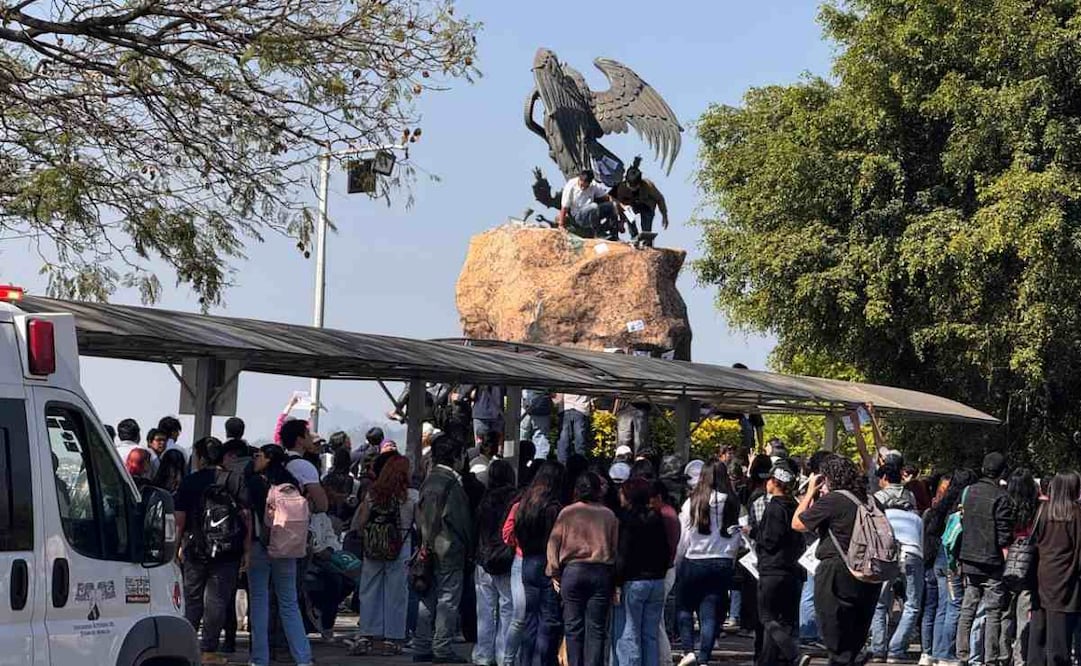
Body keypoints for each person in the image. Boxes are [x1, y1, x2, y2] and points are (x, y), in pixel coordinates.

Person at [792, 454, 881, 666]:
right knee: (854, 638)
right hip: (869, 573)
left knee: (836, 638)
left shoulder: (833, 500)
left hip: (836, 572)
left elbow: (797, 523)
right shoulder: (872, 500)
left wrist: (810, 492)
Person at [174, 438, 251, 665]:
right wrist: (247, 551)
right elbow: (247, 518)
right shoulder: (235, 480)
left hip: (195, 548)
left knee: (192, 599)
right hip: (228, 551)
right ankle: (208, 650)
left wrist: (175, 548)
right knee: (217, 601)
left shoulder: (190, 482)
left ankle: (186, 647)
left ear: (200, 457)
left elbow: (180, 520)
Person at [245, 444, 313, 666]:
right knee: (289, 603)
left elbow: (248, 517)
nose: (256, 459)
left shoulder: (256, 482)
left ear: (268, 459)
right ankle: (303, 658)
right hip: (287, 548)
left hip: (260, 545)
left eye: (259, 455)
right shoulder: (291, 484)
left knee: (259, 601)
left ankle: (259, 659)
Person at [412, 434, 474, 663]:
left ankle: (421, 644)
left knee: (427, 597)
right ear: (457, 457)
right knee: (447, 600)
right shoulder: (451, 484)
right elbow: (462, 522)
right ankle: (442, 648)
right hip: (449, 548)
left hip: (427, 548)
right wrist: (470, 548)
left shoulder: (428, 480)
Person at [546, 472, 619, 666]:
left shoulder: (567, 513)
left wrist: (554, 571)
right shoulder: (608, 515)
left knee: (573, 627)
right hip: (601, 572)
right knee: (596, 628)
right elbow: (615, 549)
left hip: (573, 571)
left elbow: (553, 543)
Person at [674, 459, 740, 666]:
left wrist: (677, 562)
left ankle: (688, 650)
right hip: (722, 561)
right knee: (710, 612)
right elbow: (736, 536)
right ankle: (704, 658)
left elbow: (683, 536)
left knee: (684, 607)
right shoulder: (732, 501)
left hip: (694, 560)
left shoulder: (692, 501)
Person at [502, 461, 565, 666]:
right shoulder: (554, 508)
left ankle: (526, 661)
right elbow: (556, 541)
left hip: (527, 561)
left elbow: (509, 533)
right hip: (546, 564)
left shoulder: (523, 504)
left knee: (530, 618)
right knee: (548, 619)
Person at [353, 454, 417, 655]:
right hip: (400, 546)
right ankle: (392, 638)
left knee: (369, 589)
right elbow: (421, 525)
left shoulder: (373, 494)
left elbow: (360, 523)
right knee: (396, 593)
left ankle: (366, 635)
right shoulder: (412, 496)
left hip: (373, 547)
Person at [955, 452, 1013, 666]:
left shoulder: (968, 492)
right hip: (992, 561)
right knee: (993, 612)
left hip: (969, 558)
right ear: (1002, 472)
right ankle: (990, 658)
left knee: (967, 608)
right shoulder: (1002, 497)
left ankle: (961, 655)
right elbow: (1004, 534)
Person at [869, 462, 924, 662]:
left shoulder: (877, 500)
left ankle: (877, 649)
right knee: (912, 604)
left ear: (883, 478)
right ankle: (896, 648)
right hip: (912, 554)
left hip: (885, 554)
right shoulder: (911, 501)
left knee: (879, 602)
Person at [752, 461, 805, 666]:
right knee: (783, 620)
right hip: (792, 568)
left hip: (772, 568)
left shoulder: (774, 507)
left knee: (767, 617)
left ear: (775, 482)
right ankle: (770, 660)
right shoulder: (794, 505)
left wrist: (755, 533)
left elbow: (770, 540)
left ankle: (793, 653)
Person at [613, 477, 669, 666]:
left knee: (630, 634)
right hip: (657, 581)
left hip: (634, 581)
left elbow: (623, 554)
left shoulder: (626, 520)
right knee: (650, 635)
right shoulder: (656, 517)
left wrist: (617, 583)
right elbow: (666, 551)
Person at [1028, 471, 1081, 666]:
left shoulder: (1043, 510)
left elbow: (1034, 543)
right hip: (1067, 580)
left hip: (1041, 577)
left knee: (1039, 632)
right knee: (1060, 639)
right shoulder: (1076, 513)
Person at [473, 459, 518, 666]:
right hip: (506, 557)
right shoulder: (515, 498)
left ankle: (483, 654)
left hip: (484, 558)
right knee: (507, 607)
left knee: (485, 608)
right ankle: (503, 655)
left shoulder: (484, 498)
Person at [1002, 467, 1039, 665]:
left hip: (1004, 562)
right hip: (1028, 565)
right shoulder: (1036, 508)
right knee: (1024, 614)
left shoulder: (1004, 505)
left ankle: (1002, 654)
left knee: (1004, 613)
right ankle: (1020, 658)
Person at [609, 156, 670, 246]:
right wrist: (621, 220)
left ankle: (647, 239)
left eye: (636, 187)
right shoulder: (620, 187)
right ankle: (634, 236)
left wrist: (664, 215)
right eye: (631, 187)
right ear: (627, 183)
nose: (634, 189)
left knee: (647, 218)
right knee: (629, 213)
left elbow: (660, 199)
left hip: (647, 206)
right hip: (630, 206)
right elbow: (611, 198)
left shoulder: (648, 185)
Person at [557, 168, 619, 239]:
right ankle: (598, 233)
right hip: (579, 217)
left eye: (585, 186)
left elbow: (606, 197)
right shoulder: (571, 186)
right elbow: (564, 207)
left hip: (592, 215)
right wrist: (561, 225)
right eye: (581, 185)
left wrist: (616, 209)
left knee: (612, 206)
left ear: (589, 183)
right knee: (594, 206)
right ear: (579, 179)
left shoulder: (593, 185)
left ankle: (614, 234)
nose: (583, 188)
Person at [557, 394, 592, 463]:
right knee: (580, 439)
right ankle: (580, 465)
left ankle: (562, 465)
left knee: (564, 439)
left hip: (565, 407)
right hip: (581, 408)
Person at [521, 389, 554, 460]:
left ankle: (521, 463)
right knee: (541, 441)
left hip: (526, 408)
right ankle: (538, 465)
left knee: (522, 438)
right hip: (543, 410)